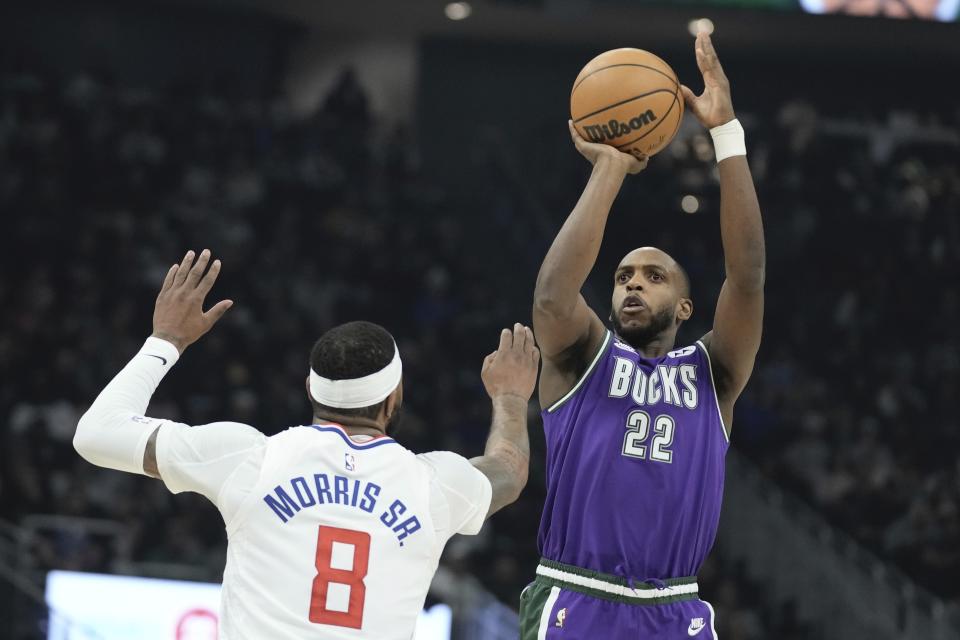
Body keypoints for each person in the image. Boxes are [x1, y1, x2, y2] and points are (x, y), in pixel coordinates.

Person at [73, 249, 540, 639]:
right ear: (395, 396)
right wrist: (512, 396)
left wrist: (166, 340)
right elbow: (509, 469)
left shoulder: (247, 458)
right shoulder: (435, 485)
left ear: (311, 389)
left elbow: (96, 434)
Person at [522, 32, 765, 639]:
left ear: (685, 304)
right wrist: (610, 168)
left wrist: (726, 134)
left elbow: (749, 276)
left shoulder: (714, 373)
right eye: (624, 276)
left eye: (653, 277)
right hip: (577, 596)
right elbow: (553, 295)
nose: (633, 285)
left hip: (677, 608)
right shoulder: (586, 359)